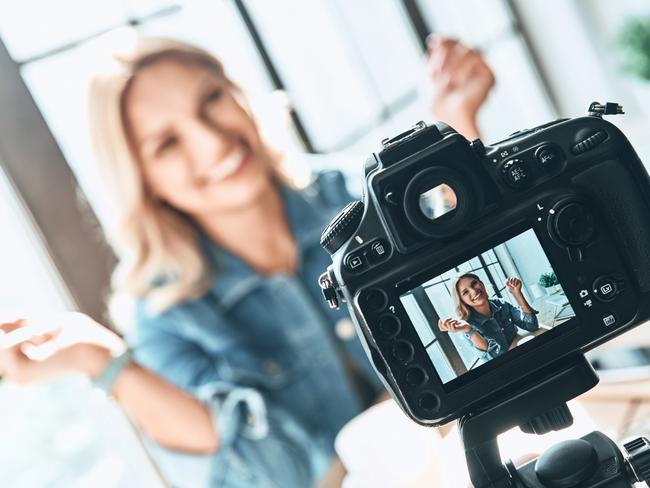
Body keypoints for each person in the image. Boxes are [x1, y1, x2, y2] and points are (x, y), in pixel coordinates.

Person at [0, 35, 495, 487]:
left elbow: (471, 275)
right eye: (167, 143)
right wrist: (100, 361)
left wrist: (454, 128)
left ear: (238, 92)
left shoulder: (351, 196)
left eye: (211, 99)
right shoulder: (166, 317)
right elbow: (264, 468)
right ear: (141, 177)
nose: (213, 141)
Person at [439, 274, 538, 359]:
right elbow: (494, 357)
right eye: (465, 292)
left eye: (474, 284)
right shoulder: (467, 326)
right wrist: (468, 329)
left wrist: (517, 293)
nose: (473, 291)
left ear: (481, 284)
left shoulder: (501, 304)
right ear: (462, 301)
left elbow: (531, 326)